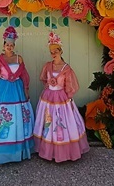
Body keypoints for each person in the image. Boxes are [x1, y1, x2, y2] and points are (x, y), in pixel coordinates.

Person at [0, 26, 34, 164]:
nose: (9, 47)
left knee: (17, 116)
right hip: (3, 90)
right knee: (2, 115)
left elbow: (24, 75)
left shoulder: (18, 58)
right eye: (7, 45)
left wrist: (26, 88)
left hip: (17, 90)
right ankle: (1, 149)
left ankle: (17, 148)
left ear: (14, 45)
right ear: (3, 46)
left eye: (11, 45)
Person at [33, 32, 90, 162]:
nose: (53, 54)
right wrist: (49, 87)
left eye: (56, 51)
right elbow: (44, 79)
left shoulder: (66, 68)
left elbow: (70, 85)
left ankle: (62, 150)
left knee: (61, 121)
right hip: (48, 97)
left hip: (61, 98)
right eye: (51, 51)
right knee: (48, 120)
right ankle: (47, 149)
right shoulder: (47, 66)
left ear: (61, 50)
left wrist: (68, 96)